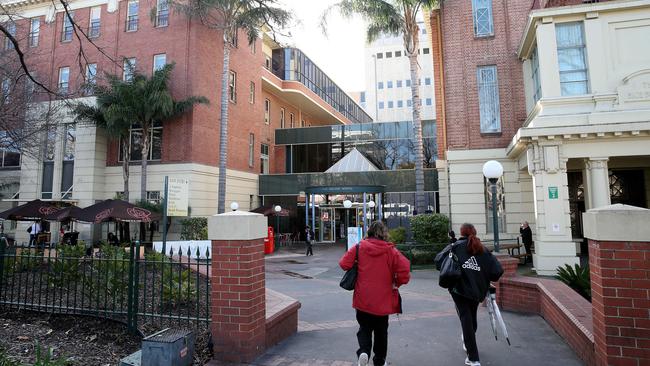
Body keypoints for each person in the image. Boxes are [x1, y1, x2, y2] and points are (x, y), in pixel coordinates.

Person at [339, 221, 411, 366]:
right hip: (383, 299)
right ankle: (379, 361)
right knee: (381, 331)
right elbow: (405, 271)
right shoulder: (391, 250)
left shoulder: (359, 247)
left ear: (369, 231)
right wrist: (397, 282)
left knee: (364, 328)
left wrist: (358, 262)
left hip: (363, 297)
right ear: (384, 233)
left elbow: (343, 264)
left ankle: (364, 352)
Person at [437, 223, 504, 366]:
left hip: (459, 289)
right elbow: (497, 271)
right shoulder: (483, 249)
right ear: (474, 232)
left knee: (466, 318)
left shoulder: (455, 247)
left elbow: (438, 261)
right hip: (477, 291)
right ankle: (468, 343)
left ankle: (473, 358)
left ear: (461, 232)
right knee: (470, 316)